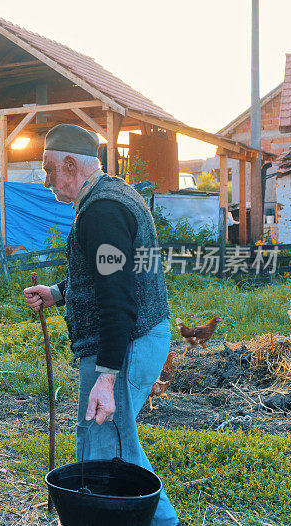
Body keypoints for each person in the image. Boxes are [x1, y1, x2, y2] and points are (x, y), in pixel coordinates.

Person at [23, 124, 178, 526]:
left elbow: (117, 297)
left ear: (71, 164)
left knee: (110, 452)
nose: (46, 182)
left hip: (126, 344)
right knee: (104, 444)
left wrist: (107, 379)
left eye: (48, 170)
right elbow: (105, 277)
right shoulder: (109, 196)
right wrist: (58, 292)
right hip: (127, 341)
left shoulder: (103, 211)